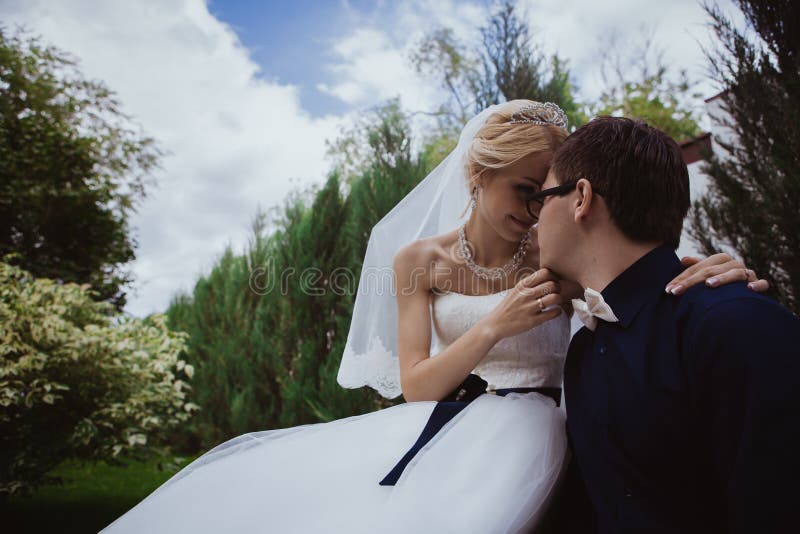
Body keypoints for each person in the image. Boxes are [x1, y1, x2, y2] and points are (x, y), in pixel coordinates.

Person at [101, 102, 766, 534]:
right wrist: (492, 327)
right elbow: (417, 384)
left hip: (563, 427)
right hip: (460, 428)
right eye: (523, 193)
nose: (536, 212)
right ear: (477, 175)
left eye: (547, 196)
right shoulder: (420, 260)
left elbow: (627, 272)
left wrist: (711, 263)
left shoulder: (555, 250)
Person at [535, 115, 800, 533]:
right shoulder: (583, 352)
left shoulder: (737, 324)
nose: (536, 220)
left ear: (581, 198)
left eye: (543, 197)